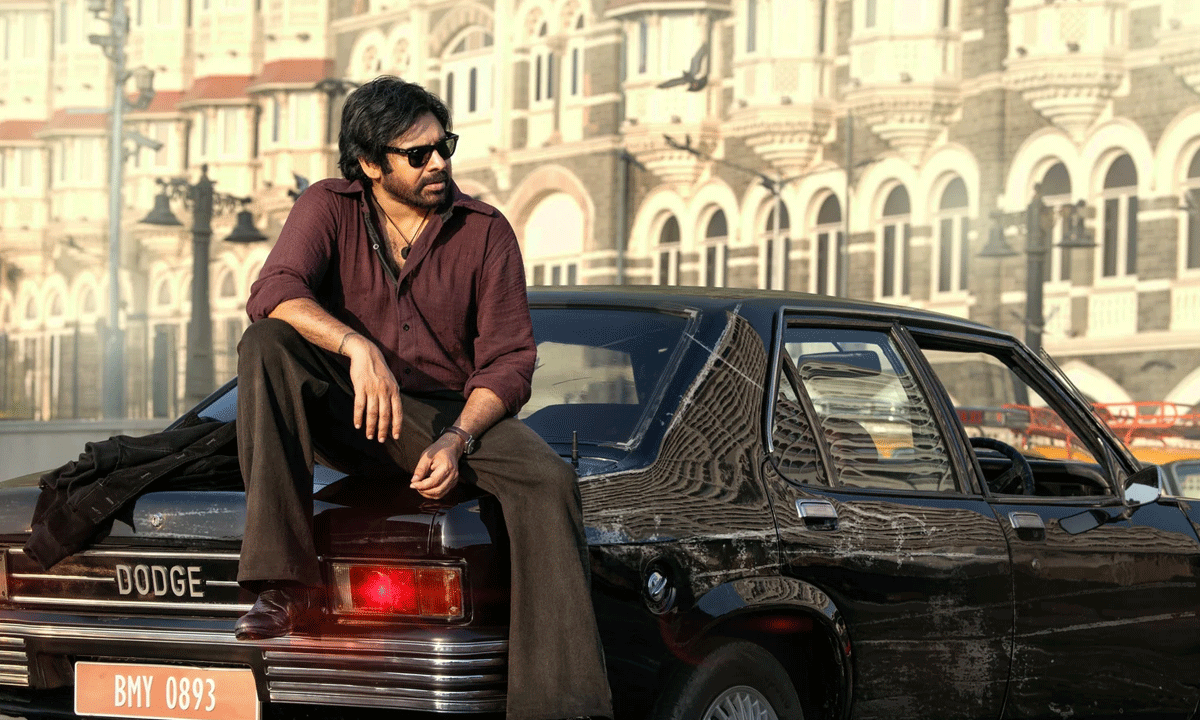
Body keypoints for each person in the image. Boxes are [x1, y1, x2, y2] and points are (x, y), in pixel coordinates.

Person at [232, 76, 612, 720]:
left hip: (443, 414)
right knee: (267, 341)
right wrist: (357, 347)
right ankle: (282, 587)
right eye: (417, 154)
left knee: (549, 480)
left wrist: (458, 438)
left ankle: (560, 706)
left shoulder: (484, 231)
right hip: (348, 409)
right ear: (369, 164)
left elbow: (510, 361)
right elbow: (273, 290)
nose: (437, 163)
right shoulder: (326, 206)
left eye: (444, 147)